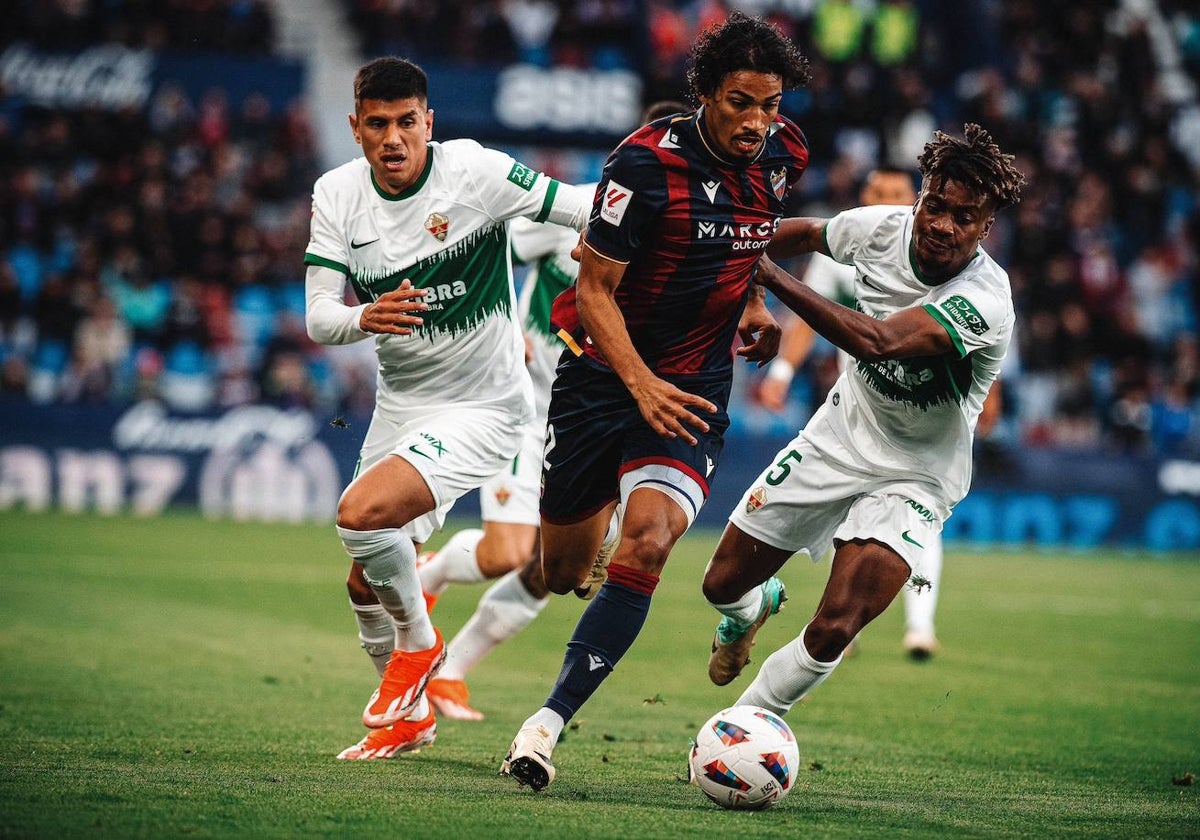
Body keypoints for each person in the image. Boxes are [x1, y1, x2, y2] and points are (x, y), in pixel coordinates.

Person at [499, 12, 811, 792]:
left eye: (770, 105)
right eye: (740, 102)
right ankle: (748, 605)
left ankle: (544, 727)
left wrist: (751, 305)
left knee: (647, 545)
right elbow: (594, 289)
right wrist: (639, 384)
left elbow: (748, 232)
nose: (757, 122)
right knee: (565, 569)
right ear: (704, 93)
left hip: (695, 390)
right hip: (600, 381)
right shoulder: (639, 167)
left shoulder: (784, 156)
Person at [302, 57, 589, 760]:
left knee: (361, 515)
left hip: (488, 404)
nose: (394, 138)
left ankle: (421, 650)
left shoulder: (475, 172)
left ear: (429, 123)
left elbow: (582, 208)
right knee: (363, 577)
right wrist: (366, 316)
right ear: (356, 128)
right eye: (378, 124)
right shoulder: (336, 194)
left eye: (407, 123)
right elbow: (317, 318)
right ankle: (412, 717)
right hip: (403, 403)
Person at [701, 125, 1024, 717]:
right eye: (937, 206)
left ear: (986, 227)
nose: (943, 226)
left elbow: (878, 342)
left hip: (918, 473)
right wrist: (735, 246)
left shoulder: (986, 297)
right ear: (921, 197)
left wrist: (771, 279)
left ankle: (740, 727)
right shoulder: (878, 228)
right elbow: (795, 233)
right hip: (838, 436)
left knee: (835, 625)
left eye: (965, 217)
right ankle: (752, 610)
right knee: (720, 584)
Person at [422, 101, 690, 723]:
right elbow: (490, 248)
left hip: (601, 418)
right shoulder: (583, 205)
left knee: (554, 569)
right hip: (527, 404)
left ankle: (451, 672)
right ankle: (430, 571)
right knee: (506, 553)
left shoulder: (691, 233)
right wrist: (498, 325)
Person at [756, 166, 1003, 660]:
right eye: (878, 193)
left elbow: (978, 358)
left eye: (895, 192)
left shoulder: (968, 274)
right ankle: (843, 619)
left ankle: (918, 624)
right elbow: (806, 318)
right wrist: (782, 372)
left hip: (920, 433)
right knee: (850, 525)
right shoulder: (852, 243)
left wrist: (988, 403)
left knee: (907, 523)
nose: (886, 200)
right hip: (857, 411)